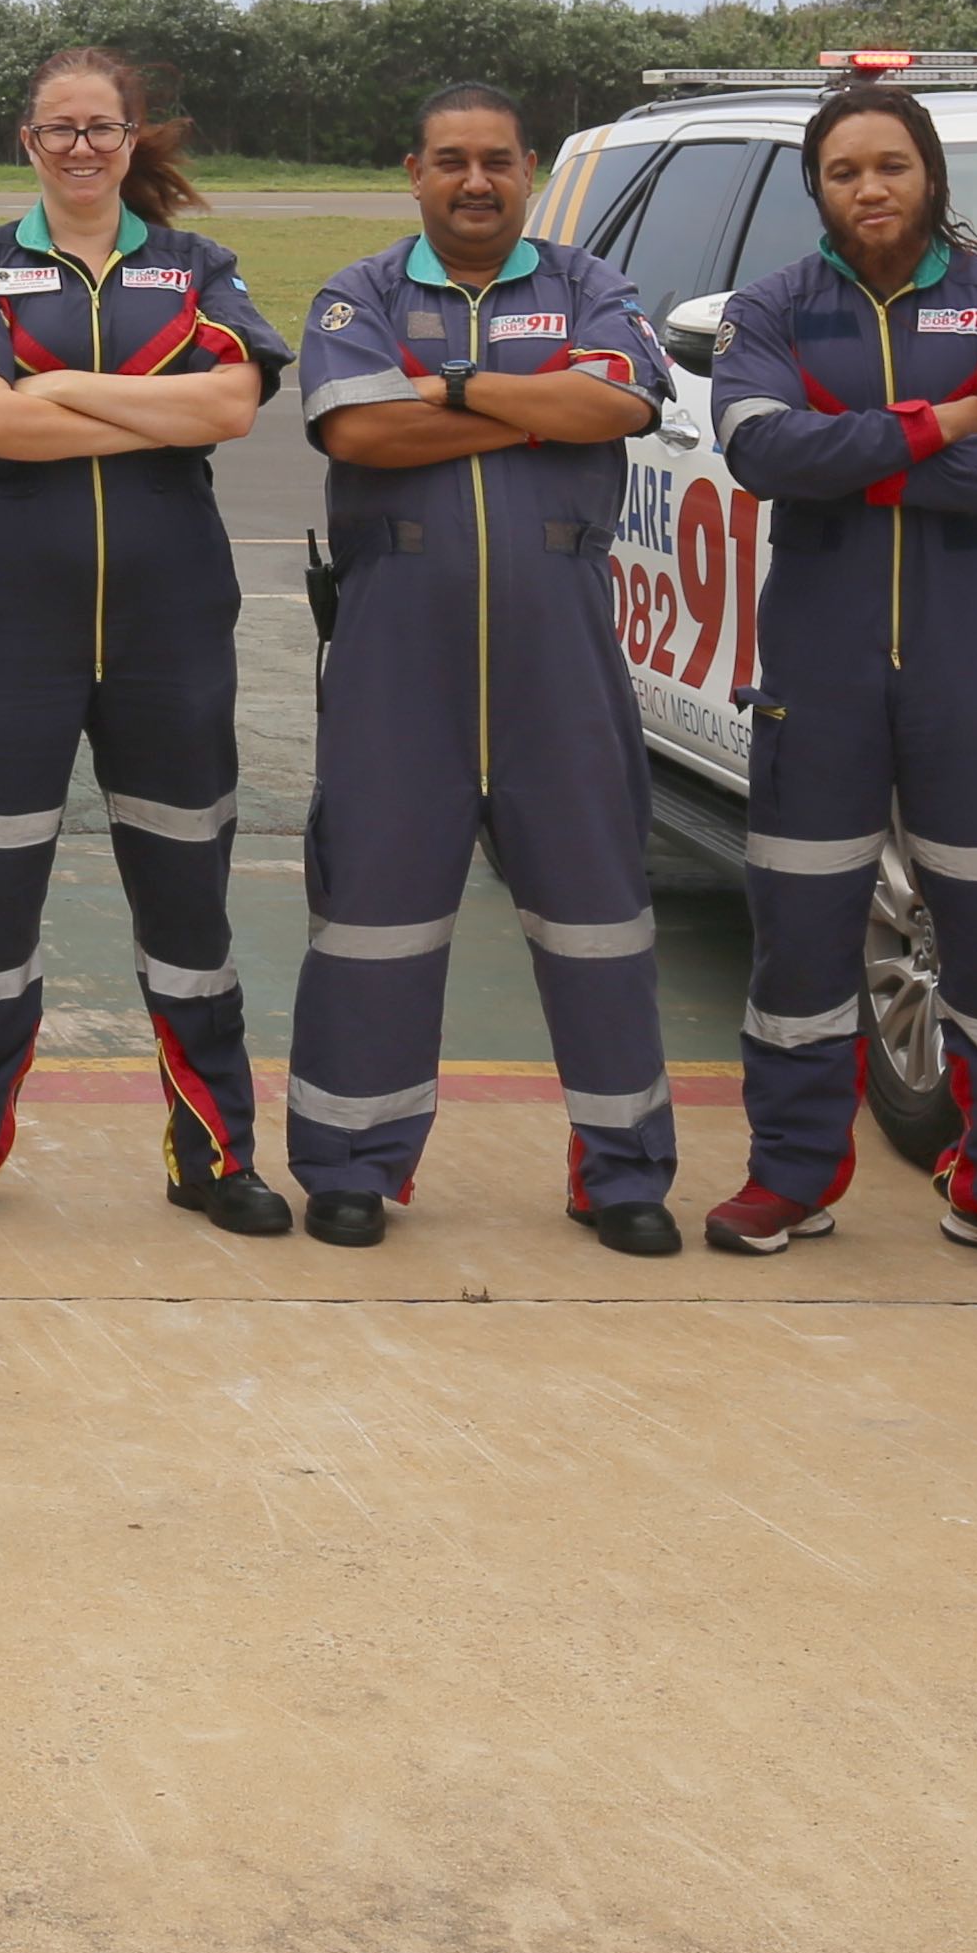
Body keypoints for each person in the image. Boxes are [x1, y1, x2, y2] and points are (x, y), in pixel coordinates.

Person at [706, 80, 977, 1276]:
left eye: (891, 165)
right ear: (817, 188)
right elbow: (761, 450)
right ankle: (790, 1179)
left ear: (930, 173)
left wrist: (855, 452)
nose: (870, 189)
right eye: (844, 171)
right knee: (799, 938)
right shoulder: (772, 307)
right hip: (819, 666)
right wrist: (951, 419)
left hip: (969, 662)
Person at [0, 47, 295, 1238]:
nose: (81, 148)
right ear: (28, 143)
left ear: (133, 140)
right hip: (6, 633)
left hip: (169, 633)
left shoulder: (194, 266)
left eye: (102, 129)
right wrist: (150, 413)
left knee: (188, 903)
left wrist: (59, 385)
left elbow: (233, 404)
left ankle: (213, 1153)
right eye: (59, 129)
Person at [289, 84, 686, 1255]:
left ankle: (623, 1172)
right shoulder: (357, 294)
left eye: (498, 161)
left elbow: (620, 400)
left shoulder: (591, 284)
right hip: (393, 647)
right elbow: (360, 430)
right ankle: (351, 1160)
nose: (476, 181)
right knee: (372, 912)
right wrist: (541, 406)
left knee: (597, 914)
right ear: (413, 173)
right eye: (452, 160)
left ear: (530, 171)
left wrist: (450, 387)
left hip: (559, 645)